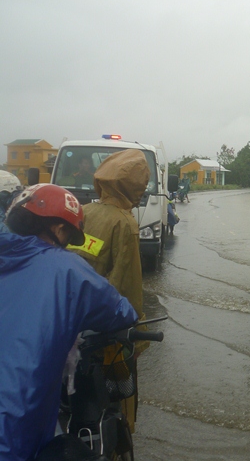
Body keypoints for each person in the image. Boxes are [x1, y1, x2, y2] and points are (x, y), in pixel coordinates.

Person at [0, 183, 138, 461]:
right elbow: (121, 310)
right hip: (13, 430)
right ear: (59, 229)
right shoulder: (65, 267)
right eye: (67, 236)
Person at [68, 148, 150, 434]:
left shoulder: (83, 212)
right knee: (119, 406)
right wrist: (135, 344)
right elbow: (127, 286)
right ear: (133, 187)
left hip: (71, 326)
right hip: (105, 335)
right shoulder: (125, 223)